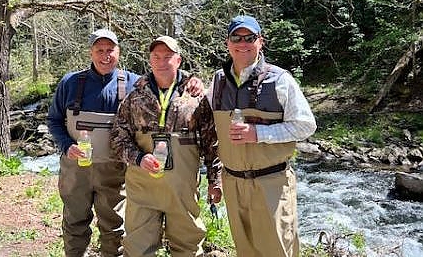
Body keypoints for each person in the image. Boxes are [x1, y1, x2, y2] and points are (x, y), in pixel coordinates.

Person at [47, 29, 204, 257]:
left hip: (114, 171)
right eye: (99, 50)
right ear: (91, 52)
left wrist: (192, 80)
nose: (105, 56)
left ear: (119, 52)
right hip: (76, 171)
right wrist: (65, 145)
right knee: (74, 224)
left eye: (110, 50)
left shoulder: (132, 83)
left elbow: (165, 77)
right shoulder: (70, 82)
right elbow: (53, 120)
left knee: (114, 228)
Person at [207, 15, 317, 257]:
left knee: (276, 251)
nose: (243, 43)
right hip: (233, 183)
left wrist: (259, 133)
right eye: (237, 37)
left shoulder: (280, 79)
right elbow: (208, 130)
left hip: (272, 184)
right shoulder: (217, 81)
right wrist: (214, 178)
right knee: (245, 251)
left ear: (260, 42)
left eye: (250, 38)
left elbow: (306, 125)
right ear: (228, 43)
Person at [110, 36, 222, 257]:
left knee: (188, 249)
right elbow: (117, 137)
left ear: (178, 60)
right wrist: (138, 158)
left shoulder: (197, 97)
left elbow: (212, 142)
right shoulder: (134, 96)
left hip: (182, 190)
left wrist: (215, 180)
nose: (162, 62)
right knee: (137, 249)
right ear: (150, 60)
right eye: (156, 57)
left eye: (168, 57)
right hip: (143, 188)